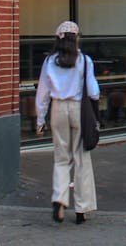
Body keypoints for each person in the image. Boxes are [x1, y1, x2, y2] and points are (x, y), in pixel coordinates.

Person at [35, 21, 100, 225]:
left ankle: (59, 199)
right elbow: (94, 92)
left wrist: (40, 119)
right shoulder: (84, 61)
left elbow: (42, 93)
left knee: (61, 157)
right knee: (81, 158)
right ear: (77, 38)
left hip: (57, 108)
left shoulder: (49, 61)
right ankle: (82, 209)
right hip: (78, 109)